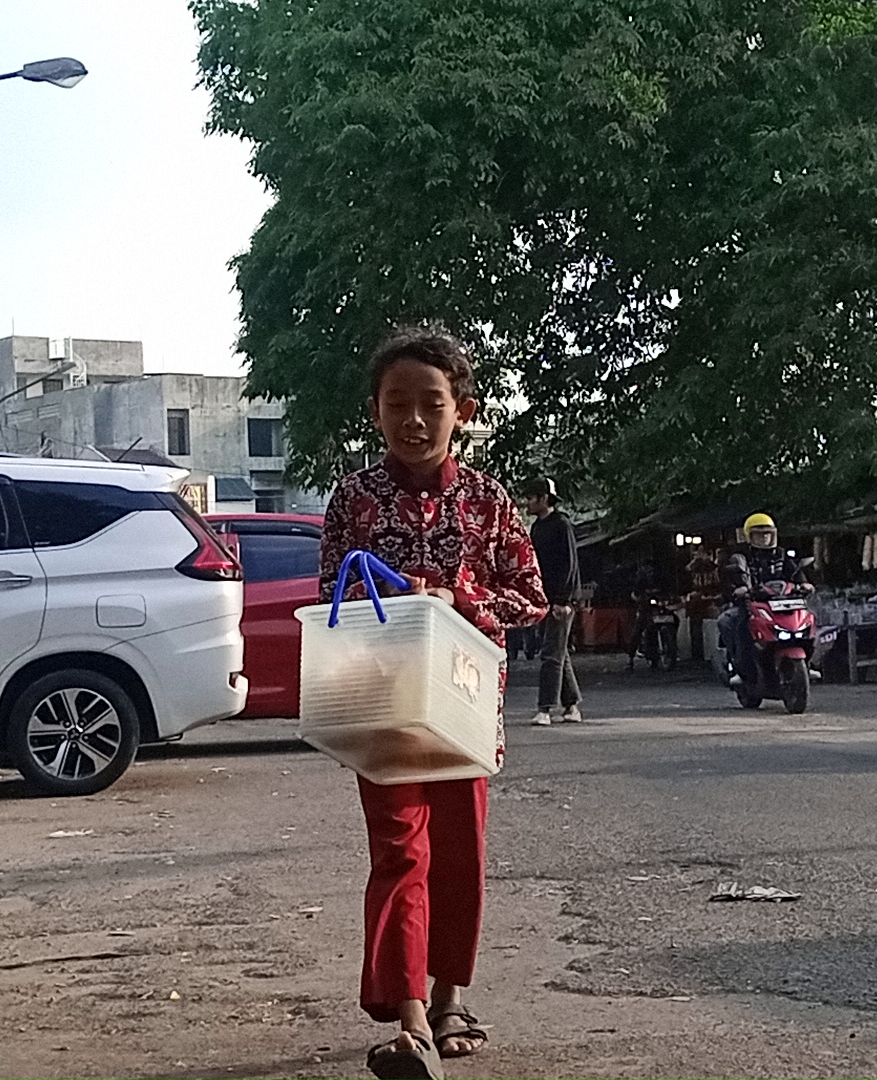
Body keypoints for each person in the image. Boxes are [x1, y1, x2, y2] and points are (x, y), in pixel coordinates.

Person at [317, 327, 549, 1080]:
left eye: (431, 404)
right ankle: (410, 1019)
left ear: (463, 410)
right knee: (399, 852)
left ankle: (452, 997)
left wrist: (458, 597)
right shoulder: (351, 500)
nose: (413, 419)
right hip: (381, 705)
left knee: (459, 856)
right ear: (375, 412)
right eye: (397, 404)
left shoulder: (489, 501)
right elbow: (330, 597)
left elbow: (533, 600)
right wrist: (385, 596)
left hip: (467, 704)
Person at [716, 513, 810, 688]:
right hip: (752, 604)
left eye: (767, 534)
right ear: (749, 536)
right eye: (759, 535)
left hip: (782, 603)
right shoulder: (741, 556)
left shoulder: (782, 555)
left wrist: (804, 584)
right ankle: (742, 671)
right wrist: (740, 588)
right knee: (741, 626)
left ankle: (809, 662)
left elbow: (795, 572)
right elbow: (733, 575)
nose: (764, 538)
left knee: (807, 620)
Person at [522, 477, 583, 726]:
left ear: (544, 498)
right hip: (544, 599)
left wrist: (562, 600)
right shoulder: (537, 527)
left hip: (561, 601)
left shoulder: (562, 525)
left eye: (531, 497)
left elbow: (569, 565)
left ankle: (545, 708)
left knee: (550, 654)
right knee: (559, 653)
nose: (527, 502)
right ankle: (572, 706)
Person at [682, 545, 720, 666]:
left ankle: (708, 653)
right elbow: (687, 570)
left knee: (708, 626)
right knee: (695, 626)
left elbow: (716, 582)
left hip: (709, 598)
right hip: (697, 601)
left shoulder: (713, 568)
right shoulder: (695, 567)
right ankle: (697, 653)